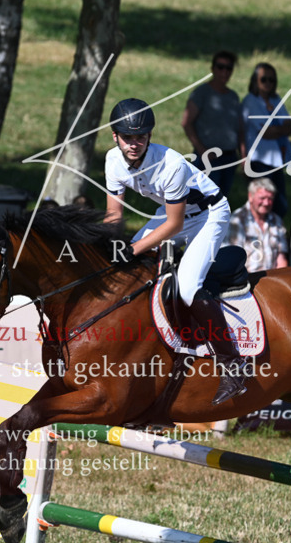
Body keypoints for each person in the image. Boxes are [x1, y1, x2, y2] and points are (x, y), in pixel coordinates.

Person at [103, 98, 245, 405]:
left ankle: (233, 365)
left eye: (141, 137)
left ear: (150, 136)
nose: (134, 144)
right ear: (114, 136)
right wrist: (107, 247)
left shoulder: (171, 165)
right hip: (172, 213)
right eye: (127, 137)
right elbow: (113, 216)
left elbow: (174, 224)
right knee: (127, 266)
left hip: (208, 215)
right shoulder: (112, 160)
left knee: (189, 286)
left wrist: (133, 248)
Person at [181, 50, 245, 197]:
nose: (224, 72)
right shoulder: (201, 93)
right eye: (220, 67)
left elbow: (239, 129)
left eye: (229, 68)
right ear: (212, 68)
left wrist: (243, 156)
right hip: (208, 158)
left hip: (229, 157)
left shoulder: (233, 97)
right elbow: (187, 123)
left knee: (222, 201)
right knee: (205, 200)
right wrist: (202, 150)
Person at [241, 62, 291, 219]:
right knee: (263, 201)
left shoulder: (276, 100)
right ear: (255, 81)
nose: (268, 83)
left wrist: (274, 129)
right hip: (259, 160)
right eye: (264, 79)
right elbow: (266, 132)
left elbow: (290, 128)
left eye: (272, 79)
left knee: (280, 204)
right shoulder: (250, 102)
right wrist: (279, 129)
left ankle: (274, 229)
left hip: (277, 160)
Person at [227, 178, 289, 272]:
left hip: (273, 277)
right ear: (250, 196)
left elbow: (281, 259)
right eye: (262, 198)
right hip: (247, 277)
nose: (266, 203)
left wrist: (281, 277)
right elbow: (233, 261)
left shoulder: (277, 221)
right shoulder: (237, 220)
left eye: (270, 199)